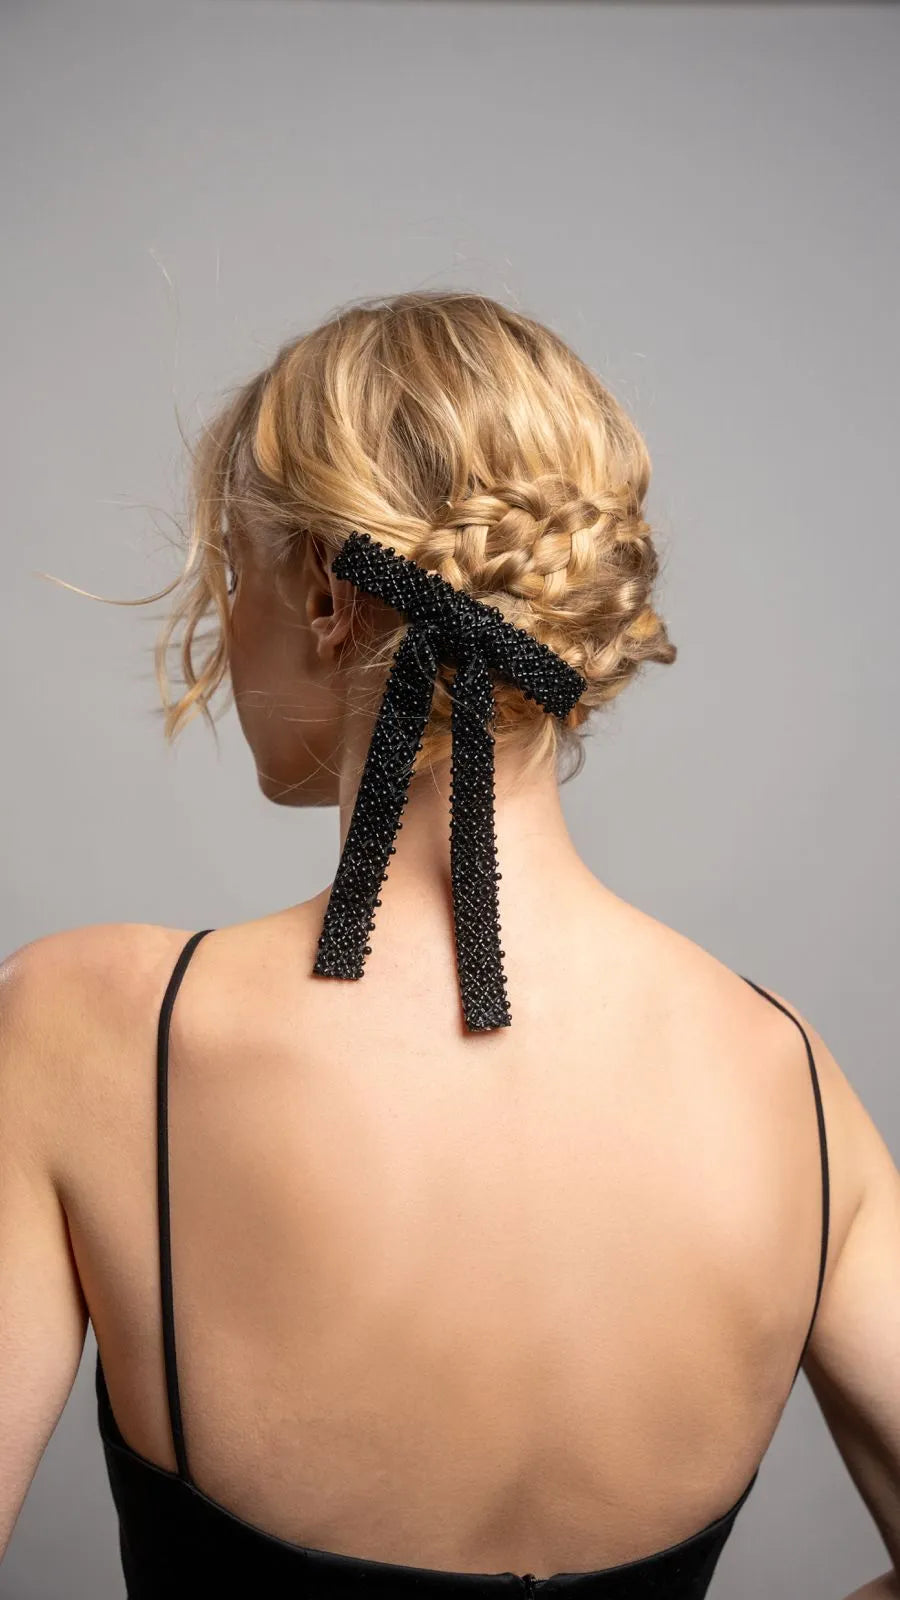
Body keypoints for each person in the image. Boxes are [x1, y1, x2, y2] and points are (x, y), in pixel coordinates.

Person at [1, 291, 897, 1598]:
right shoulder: (786, 1079)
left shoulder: (87, 1028)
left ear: (321, 590)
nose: (222, 618)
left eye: (231, 572)